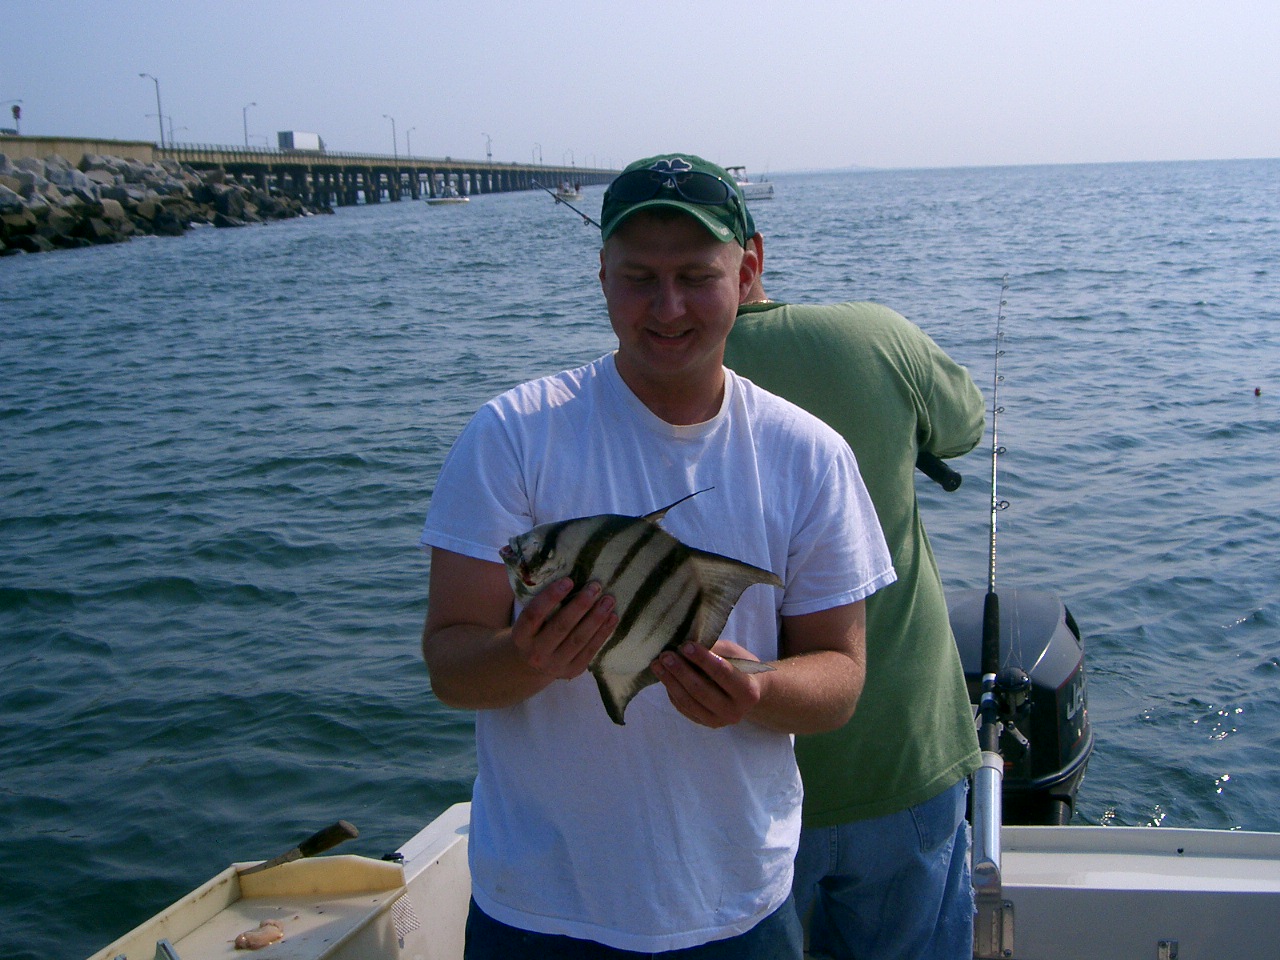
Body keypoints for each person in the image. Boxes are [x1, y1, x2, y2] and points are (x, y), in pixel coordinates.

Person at [420, 153, 896, 958]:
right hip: (538, 911)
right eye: (639, 275)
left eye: (696, 275)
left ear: (748, 271)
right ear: (601, 274)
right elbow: (450, 663)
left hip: (739, 907)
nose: (667, 306)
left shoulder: (808, 454)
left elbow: (839, 680)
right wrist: (529, 656)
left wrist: (758, 690)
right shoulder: (510, 435)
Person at [722, 227, 986, 959]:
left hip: (738, 791)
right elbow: (965, 424)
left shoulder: (654, 376)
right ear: (755, 257)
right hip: (903, 754)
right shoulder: (877, 334)